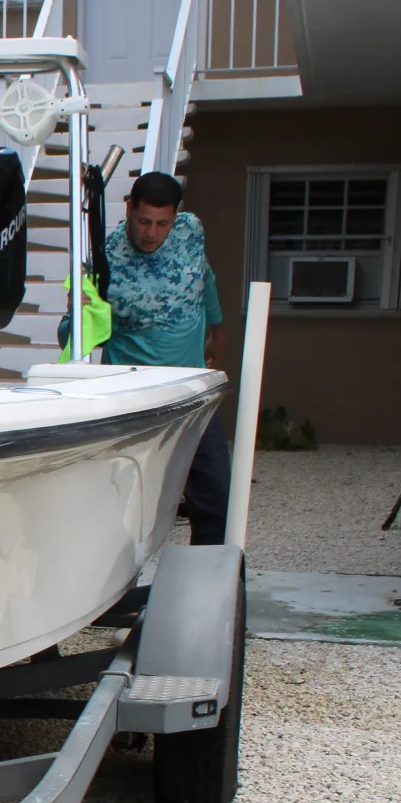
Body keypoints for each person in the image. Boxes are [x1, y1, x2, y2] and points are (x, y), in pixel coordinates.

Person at [97, 172, 230, 544]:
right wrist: (81, 312)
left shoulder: (190, 231)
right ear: (129, 209)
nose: (152, 233)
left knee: (216, 495)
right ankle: (121, 578)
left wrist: (218, 333)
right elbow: (72, 336)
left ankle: (205, 576)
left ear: (176, 216)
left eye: (162, 223)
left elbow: (206, 280)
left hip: (192, 389)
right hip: (134, 399)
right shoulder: (105, 259)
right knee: (127, 505)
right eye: (144, 221)